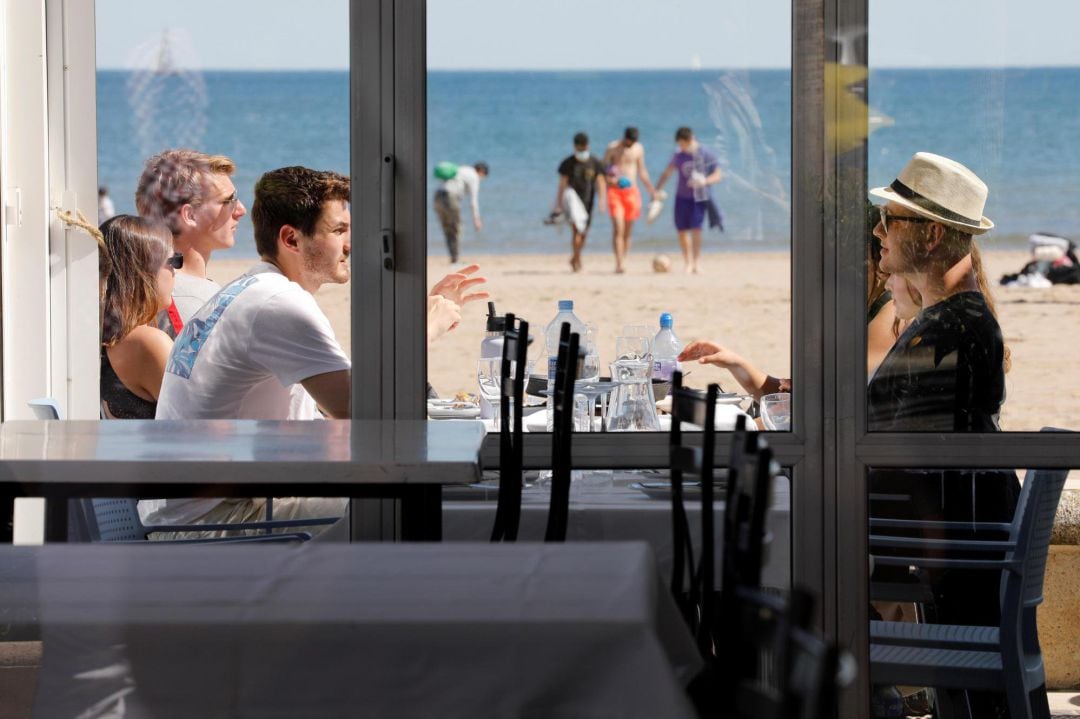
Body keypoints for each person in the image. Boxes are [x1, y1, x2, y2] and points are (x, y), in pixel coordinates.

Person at [151, 166, 486, 533]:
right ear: (291, 239)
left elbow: (337, 402)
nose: (350, 243)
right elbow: (361, 413)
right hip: (213, 524)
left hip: (205, 508)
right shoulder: (278, 302)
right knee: (418, 505)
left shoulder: (254, 288)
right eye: (338, 230)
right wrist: (423, 331)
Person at [868, 151, 1017, 717]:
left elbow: (877, 432)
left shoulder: (951, 328)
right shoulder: (955, 318)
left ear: (929, 234)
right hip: (956, 548)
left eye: (891, 219)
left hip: (950, 558)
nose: (879, 230)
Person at [135, 149, 247, 337]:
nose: (241, 210)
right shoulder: (192, 302)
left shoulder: (149, 287)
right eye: (228, 201)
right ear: (190, 215)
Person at [97, 216, 178, 418]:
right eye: (174, 261)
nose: (176, 271)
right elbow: (198, 419)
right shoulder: (147, 342)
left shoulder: (108, 337)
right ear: (144, 271)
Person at [653, 127, 723, 274]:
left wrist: (704, 180)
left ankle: (696, 263)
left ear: (690, 140)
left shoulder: (706, 154)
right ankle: (688, 262)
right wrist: (656, 190)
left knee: (696, 230)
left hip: (699, 198)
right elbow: (667, 172)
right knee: (682, 231)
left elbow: (718, 175)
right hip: (681, 198)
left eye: (682, 144)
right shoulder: (678, 155)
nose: (681, 147)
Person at [603, 127, 656, 273]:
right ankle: (619, 263)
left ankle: (624, 259)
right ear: (624, 137)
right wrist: (610, 181)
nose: (630, 144)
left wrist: (652, 190)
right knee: (618, 228)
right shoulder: (612, 148)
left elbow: (642, 171)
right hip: (615, 192)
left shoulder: (638, 149)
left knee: (627, 231)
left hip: (632, 192)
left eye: (632, 142)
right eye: (628, 141)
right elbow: (602, 170)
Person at [552, 132, 607, 273]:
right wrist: (558, 204)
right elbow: (562, 185)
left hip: (588, 202)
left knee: (584, 233)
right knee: (576, 231)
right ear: (575, 147)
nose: (581, 151)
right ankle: (577, 260)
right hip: (572, 204)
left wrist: (602, 200)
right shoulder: (568, 163)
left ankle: (576, 256)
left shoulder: (594, 162)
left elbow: (600, 181)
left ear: (587, 146)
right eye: (579, 148)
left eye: (583, 148)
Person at [433, 161, 488, 264]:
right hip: (450, 198)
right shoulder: (474, 177)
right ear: (481, 172)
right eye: (483, 177)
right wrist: (476, 219)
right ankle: (455, 259)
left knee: (447, 229)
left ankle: (453, 257)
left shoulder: (461, 169)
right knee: (457, 228)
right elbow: (473, 201)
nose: (482, 179)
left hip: (437, 197)